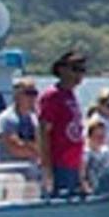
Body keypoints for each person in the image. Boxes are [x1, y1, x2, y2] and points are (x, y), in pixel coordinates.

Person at [37, 49, 88, 195]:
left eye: (82, 71)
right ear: (62, 69)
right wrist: (47, 169)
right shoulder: (52, 96)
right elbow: (43, 132)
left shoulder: (70, 96)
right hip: (59, 166)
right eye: (75, 69)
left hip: (74, 165)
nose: (78, 75)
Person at [0, 76, 43, 181]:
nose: (33, 98)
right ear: (17, 95)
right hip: (10, 177)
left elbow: (42, 145)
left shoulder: (34, 119)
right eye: (28, 93)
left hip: (31, 175)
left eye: (35, 93)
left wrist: (33, 147)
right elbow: (16, 149)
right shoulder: (6, 119)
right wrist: (35, 148)